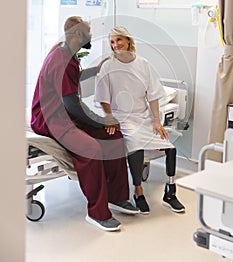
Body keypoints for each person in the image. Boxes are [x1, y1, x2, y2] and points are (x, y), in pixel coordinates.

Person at [31, 16, 139, 232]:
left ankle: (116, 197)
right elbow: (72, 105)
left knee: (115, 136)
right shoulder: (60, 59)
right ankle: (97, 212)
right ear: (78, 35)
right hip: (50, 119)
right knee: (91, 148)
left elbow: (73, 78)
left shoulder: (67, 53)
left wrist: (96, 70)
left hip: (65, 114)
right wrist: (102, 120)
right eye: (88, 31)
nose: (91, 34)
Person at [95, 26, 185, 214]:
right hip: (123, 118)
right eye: (112, 42)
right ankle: (138, 191)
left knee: (170, 147)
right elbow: (103, 97)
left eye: (119, 40)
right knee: (135, 145)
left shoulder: (143, 64)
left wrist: (157, 121)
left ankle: (170, 192)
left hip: (143, 117)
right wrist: (110, 117)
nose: (115, 45)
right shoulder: (108, 66)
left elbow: (153, 95)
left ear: (128, 40)